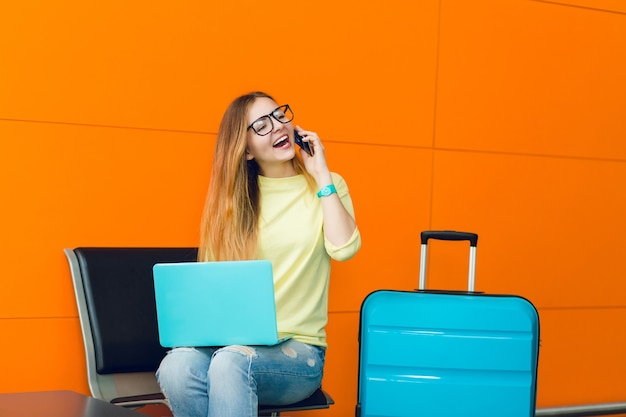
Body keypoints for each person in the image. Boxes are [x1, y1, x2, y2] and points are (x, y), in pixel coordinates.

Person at [156, 91, 361, 417]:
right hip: (230, 346)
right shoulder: (231, 205)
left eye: (280, 116)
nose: (278, 127)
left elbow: (345, 247)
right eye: (261, 126)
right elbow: (210, 288)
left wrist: (321, 173)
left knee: (229, 363)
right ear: (246, 150)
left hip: (299, 351)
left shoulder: (326, 186)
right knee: (176, 366)